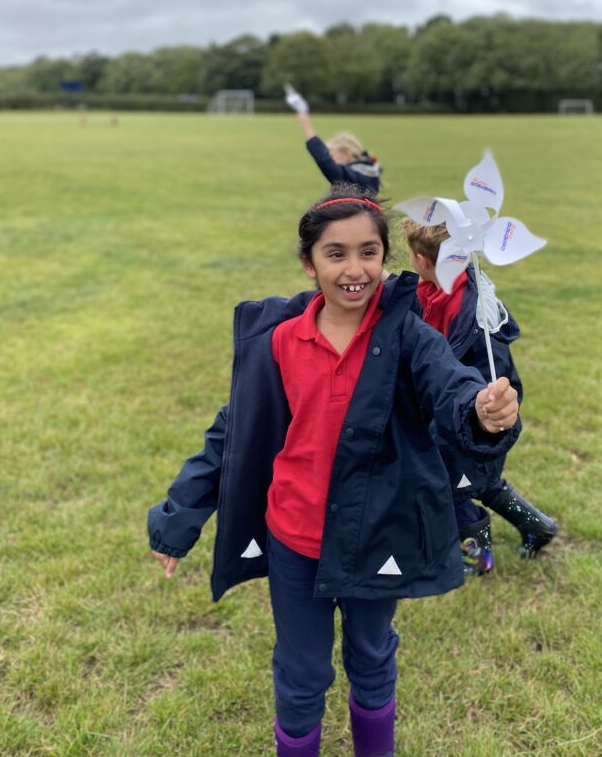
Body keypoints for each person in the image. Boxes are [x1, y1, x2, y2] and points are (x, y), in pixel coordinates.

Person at [148, 186, 521, 757]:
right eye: (336, 253)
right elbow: (231, 434)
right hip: (294, 538)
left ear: (385, 258)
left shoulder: (408, 335)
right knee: (300, 676)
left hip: (377, 534)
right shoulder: (280, 339)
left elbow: (451, 386)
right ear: (309, 262)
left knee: (372, 659)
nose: (354, 269)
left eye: (369, 252)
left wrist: (483, 410)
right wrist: (178, 517)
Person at [401, 218, 558, 573]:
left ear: (422, 260)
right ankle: (537, 525)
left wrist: (484, 410)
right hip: (448, 413)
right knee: (482, 482)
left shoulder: (475, 312)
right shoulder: (431, 289)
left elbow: (493, 372)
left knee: (448, 488)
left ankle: (478, 557)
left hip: (475, 418)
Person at [284, 83, 381, 193]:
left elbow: (325, 161)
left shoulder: (353, 177)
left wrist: (306, 124)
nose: (331, 159)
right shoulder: (367, 171)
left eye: (332, 155)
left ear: (347, 153)